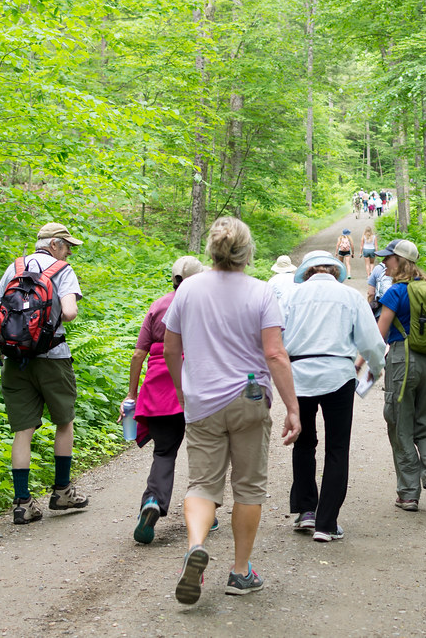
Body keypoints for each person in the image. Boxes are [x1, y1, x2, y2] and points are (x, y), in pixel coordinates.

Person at [163, 216, 301, 603]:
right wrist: (293, 408)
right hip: (249, 398)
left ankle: (195, 546)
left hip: (202, 401)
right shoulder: (261, 292)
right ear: (248, 251)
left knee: (201, 485)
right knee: (249, 487)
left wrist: (182, 389)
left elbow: (171, 348)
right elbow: (274, 353)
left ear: (211, 248)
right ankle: (240, 572)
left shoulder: (188, 289)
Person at [283, 251, 386, 542]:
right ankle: (326, 523)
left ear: (307, 272)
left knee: (303, 443)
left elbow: (276, 339)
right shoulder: (350, 296)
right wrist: (375, 368)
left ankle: (306, 511)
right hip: (338, 375)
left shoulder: (292, 297)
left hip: (299, 375)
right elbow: (371, 341)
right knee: (337, 449)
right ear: (334, 271)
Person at [0, 222, 89, 525]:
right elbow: (70, 312)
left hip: (15, 358)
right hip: (53, 358)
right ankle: (62, 491)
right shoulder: (62, 270)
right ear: (55, 244)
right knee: (64, 422)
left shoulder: (15, 267)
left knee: (23, 430)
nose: (70, 251)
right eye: (68, 246)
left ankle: (22, 502)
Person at [126, 256, 208, 545]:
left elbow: (139, 354)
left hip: (159, 389)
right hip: (196, 384)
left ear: (173, 279)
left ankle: (152, 502)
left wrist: (131, 395)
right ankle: (206, 510)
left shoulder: (158, 306)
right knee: (205, 453)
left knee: (164, 452)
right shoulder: (204, 305)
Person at [373, 239, 426, 513]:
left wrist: (363, 362)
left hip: (403, 362)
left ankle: (408, 494)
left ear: (400, 261)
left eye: (388, 258)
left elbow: (379, 334)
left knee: (400, 427)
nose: (384, 262)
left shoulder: (396, 292)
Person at [367, 239, 396, 320]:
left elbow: (371, 293)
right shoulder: (414, 278)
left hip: (380, 314)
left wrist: (370, 312)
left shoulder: (378, 269)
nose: (383, 261)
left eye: (387, 257)